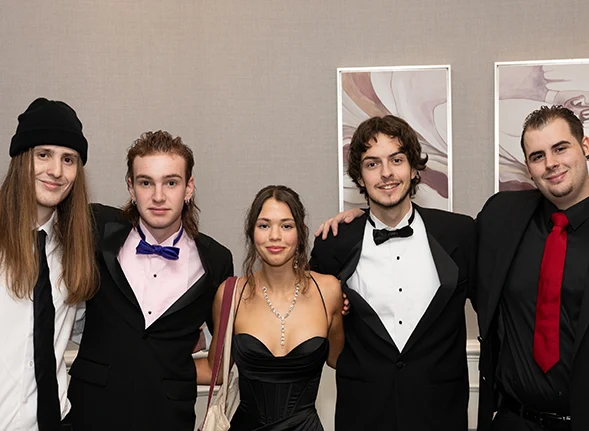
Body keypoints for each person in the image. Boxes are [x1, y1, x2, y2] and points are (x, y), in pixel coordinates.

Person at [310, 115, 476, 431]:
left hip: (441, 414)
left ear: (413, 168)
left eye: (396, 160)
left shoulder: (461, 234)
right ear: (359, 177)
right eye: (372, 164)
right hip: (363, 415)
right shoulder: (333, 244)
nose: (386, 173)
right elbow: (311, 325)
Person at [67, 130, 233, 431]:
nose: (158, 196)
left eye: (171, 182)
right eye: (146, 182)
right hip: (91, 412)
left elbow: (220, 362)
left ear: (189, 187)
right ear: (131, 188)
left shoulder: (217, 260)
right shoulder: (96, 229)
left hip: (168, 416)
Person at [476, 105, 589, 431]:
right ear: (528, 167)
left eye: (560, 148)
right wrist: (364, 219)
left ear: (584, 146)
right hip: (515, 420)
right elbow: (448, 249)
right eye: (537, 156)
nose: (550, 163)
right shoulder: (502, 217)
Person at [197, 185, 344, 430]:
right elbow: (216, 370)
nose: (274, 236)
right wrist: (150, 362)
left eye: (286, 226)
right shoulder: (230, 294)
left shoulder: (328, 291)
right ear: (251, 232)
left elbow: (342, 360)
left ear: (300, 232)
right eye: (264, 225)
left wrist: (362, 218)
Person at [0, 98, 98, 430]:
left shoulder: (78, 250)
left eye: (68, 159)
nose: (56, 171)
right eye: (44, 155)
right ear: (22, 159)